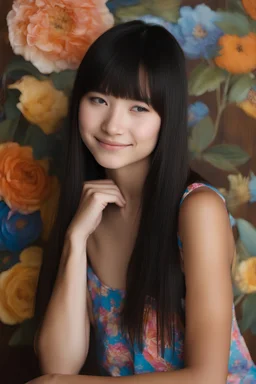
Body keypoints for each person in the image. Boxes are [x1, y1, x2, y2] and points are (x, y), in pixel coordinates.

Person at [27, 20, 256, 384]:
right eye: (99, 100)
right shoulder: (88, 208)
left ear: (167, 118)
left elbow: (208, 377)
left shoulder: (197, 210)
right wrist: (75, 240)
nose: (113, 125)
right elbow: (58, 365)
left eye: (139, 108)